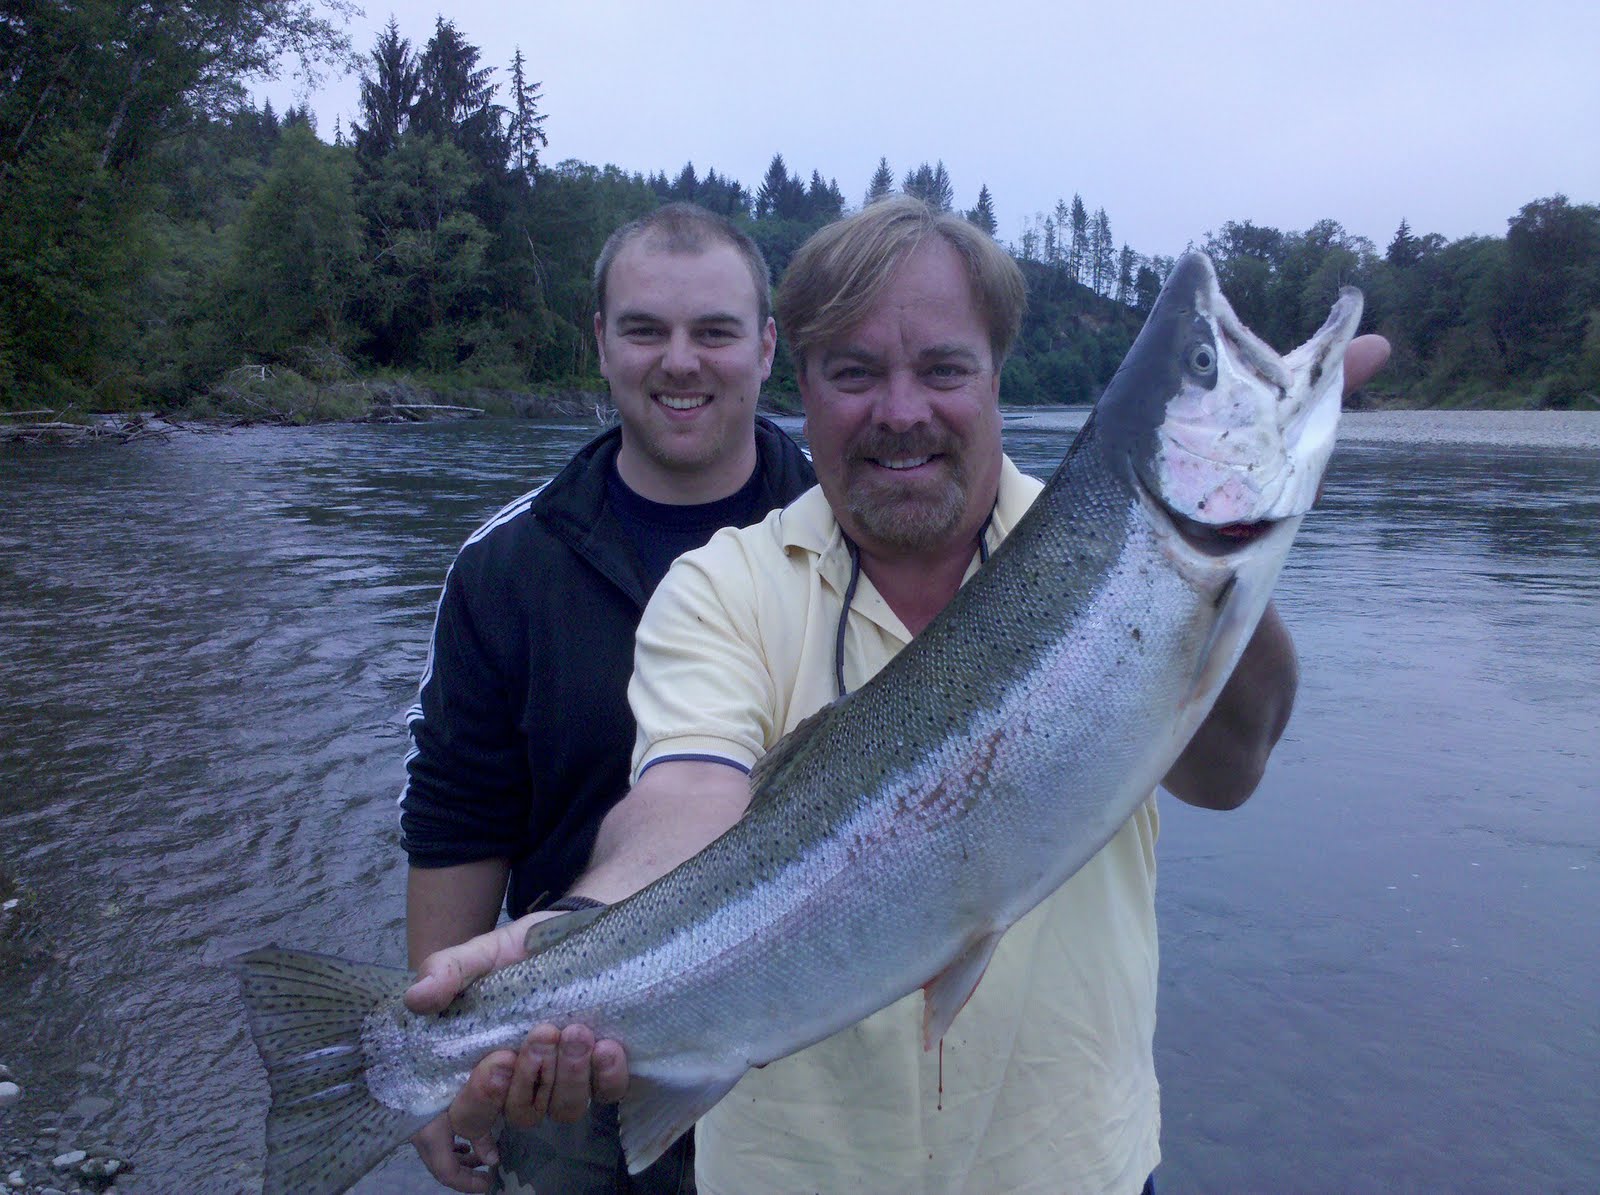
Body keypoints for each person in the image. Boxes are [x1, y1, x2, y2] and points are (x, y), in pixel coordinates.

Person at [406, 197, 1392, 1193]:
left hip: (1074, 1166)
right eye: (855, 373)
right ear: (802, 386)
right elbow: (685, 803)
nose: (902, 410)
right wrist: (574, 938)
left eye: (943, 369)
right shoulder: (720, 585)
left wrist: (1220, 561)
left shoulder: (1108, 563)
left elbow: (1230, 771)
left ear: (996, 375)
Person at [398, 201, 816, 1194]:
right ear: (599, 343)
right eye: (645, 330)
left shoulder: (856, 537)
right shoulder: (505, 566)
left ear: (765, 348)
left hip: (817, 1045)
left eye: (713, 332)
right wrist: (437, 1060)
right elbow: (459, 810)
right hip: (574, 1064)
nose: (681, 361)